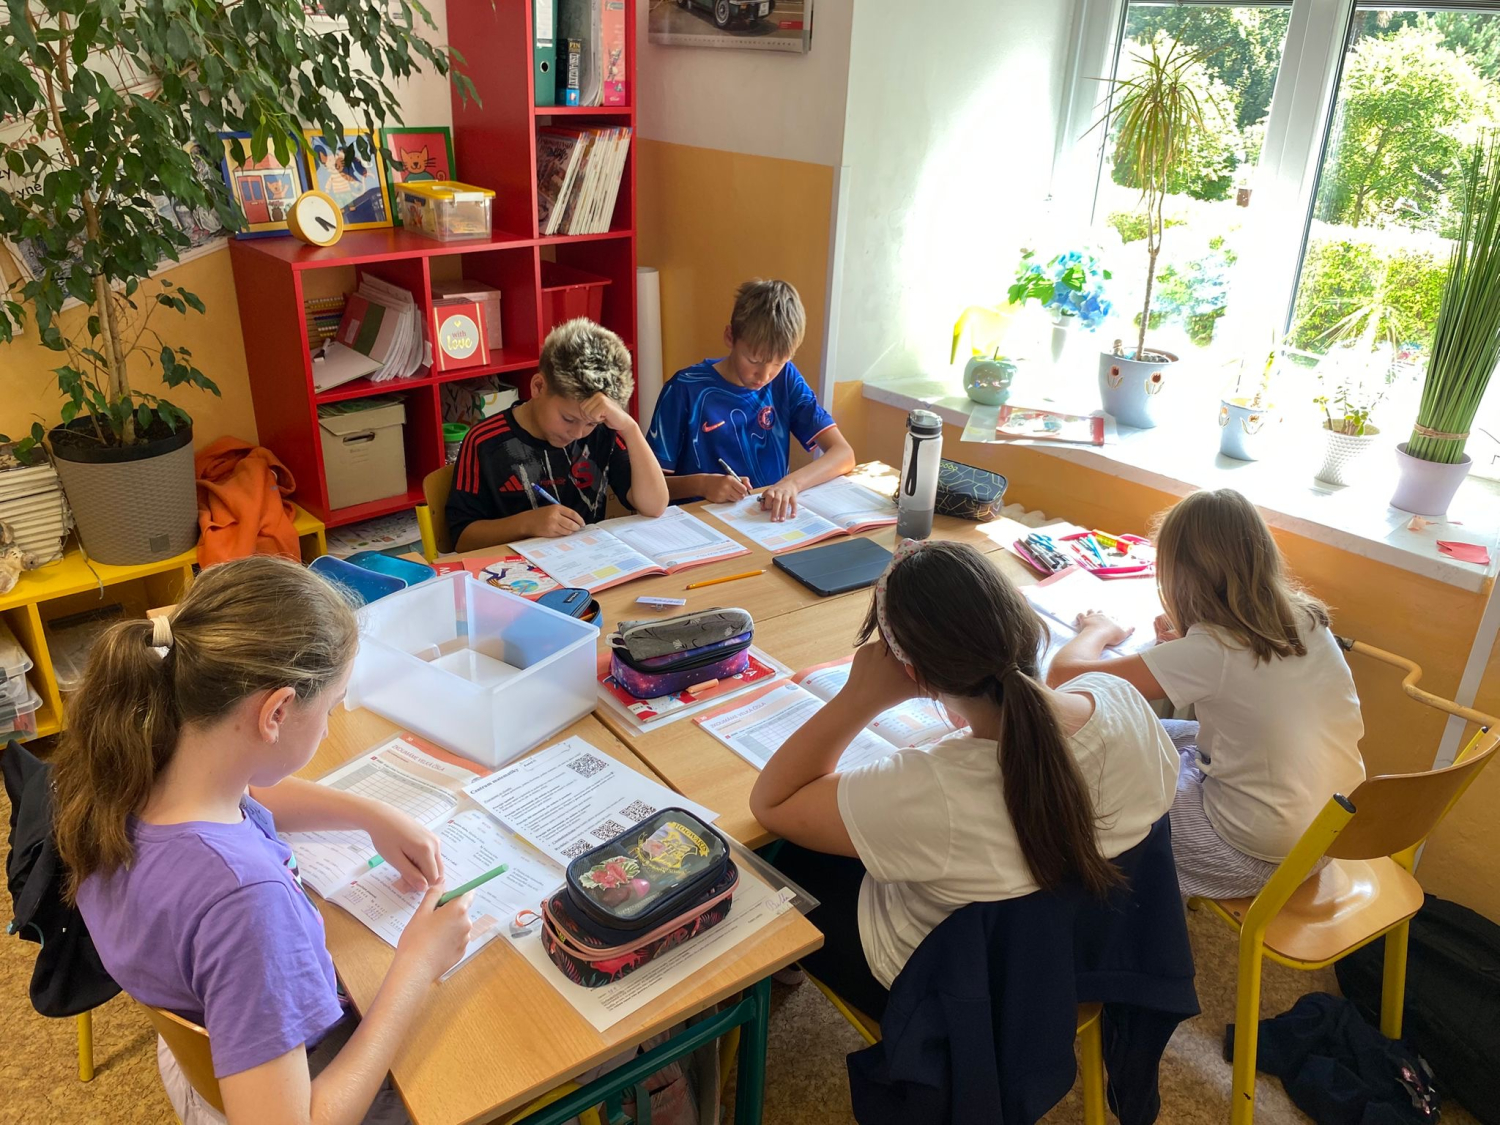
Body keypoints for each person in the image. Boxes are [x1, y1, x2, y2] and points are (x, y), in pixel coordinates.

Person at [57, 556, 474, 1125]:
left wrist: (368, 813)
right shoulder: (245, 902)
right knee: (493, 1056)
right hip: (280, 1089)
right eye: (330, 708)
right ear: (276, 711)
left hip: (209, 1053)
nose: (327, 726)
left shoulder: (126, 763)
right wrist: (418, 966)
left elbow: (250, 794)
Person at [749, 540, 1178, 1017]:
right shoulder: (1120, 699)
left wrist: (859, 698)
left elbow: (772, 803)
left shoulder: (930, 788)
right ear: (1025, 622)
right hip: (1088, 962)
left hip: (955, 996)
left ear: (912, 673)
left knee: (779, 856)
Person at [1046, 488, 1365, 899]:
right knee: (1147, 733)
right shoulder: (1306, 617)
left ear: (1180, 575)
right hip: (1327, 834)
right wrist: (1185, 643)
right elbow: (1244, 677)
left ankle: (1116, 904)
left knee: (1097, 784)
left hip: (1253, 856)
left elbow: (1063, 675)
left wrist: (1098, 629)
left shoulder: (1212, 650)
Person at [448, 318, 669, 551]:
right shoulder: (485, 441)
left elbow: (654, 506)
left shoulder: (604, 430)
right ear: (538, 387)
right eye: (568, 419)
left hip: (586, 560)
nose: (577, 433)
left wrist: (630, 428)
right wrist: (527, 524)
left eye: (590, 424)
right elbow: (462, 538)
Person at [646, 278, 855, 520]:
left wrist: (791, 483)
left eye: (778, 363)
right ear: (730, 336)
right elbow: (647, 487)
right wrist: (702, 485)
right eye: (753, 360)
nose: (764, 376)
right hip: (698, 524)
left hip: (764, 522)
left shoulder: (786, 378)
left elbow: (843, 453)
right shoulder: (685, 388)